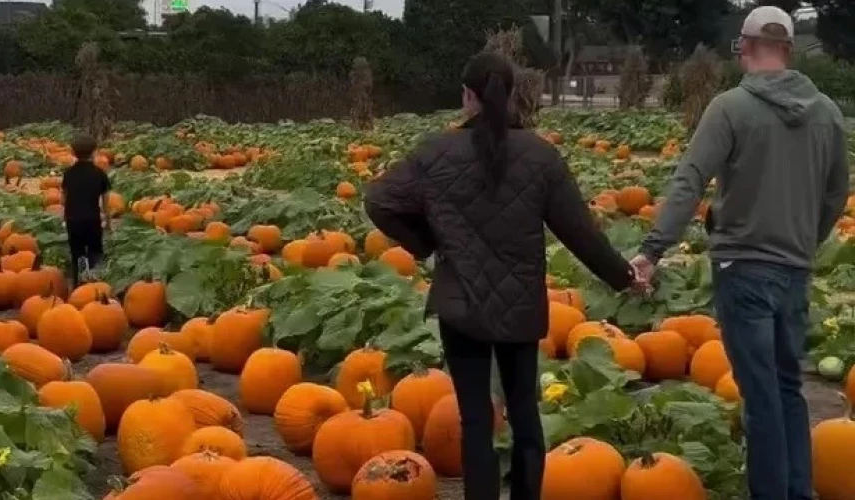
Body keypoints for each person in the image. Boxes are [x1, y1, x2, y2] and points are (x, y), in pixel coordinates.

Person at [364, 52, 640, 500]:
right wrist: (624, 277)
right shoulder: (540, 155)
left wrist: (427, 242)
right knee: (525, 414)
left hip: (462, 302)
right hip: (520, 305)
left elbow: (379, 201)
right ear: (512, 93)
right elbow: (580, 233)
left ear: (467, 95)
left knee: (475, 420)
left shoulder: (436, 151)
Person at [629, 7, 849, 500]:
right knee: (790, 387)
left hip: (743, 267)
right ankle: (799, 491)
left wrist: (652, 249)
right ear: (789, 49)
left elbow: (689, 180)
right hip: (795, 270)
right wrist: (807, 238)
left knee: (762, 396)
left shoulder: (730, 107)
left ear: (745, 46)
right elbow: (837, 193)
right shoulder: (827, 113)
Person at [62, 134, 112, 286]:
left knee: (77, 251)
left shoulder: (69, 174)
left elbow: (64, 199)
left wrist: (65, 217)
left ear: (73, 152)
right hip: (92, 218)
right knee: (95, 251)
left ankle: (79, 284)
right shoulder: (100, 174)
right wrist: (108, 222)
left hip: (73, 219)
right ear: (94, 152)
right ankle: (93, 282)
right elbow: (106, 202)